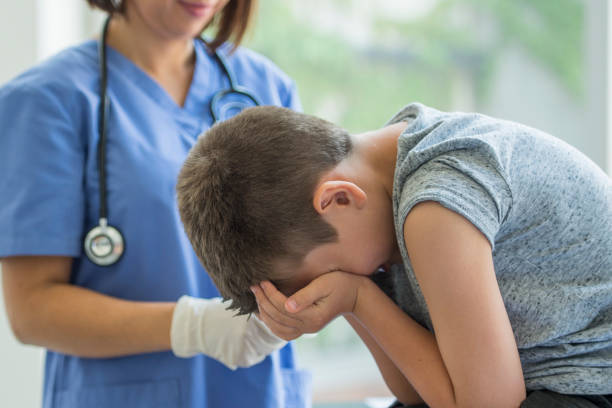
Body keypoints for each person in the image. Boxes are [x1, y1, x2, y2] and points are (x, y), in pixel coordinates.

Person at [176, 104, 612, 408]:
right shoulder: (379, 183)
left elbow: (491, 406)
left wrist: (359, 297)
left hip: (590, 380)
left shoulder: (436, 207)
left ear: (339, 199)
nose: (338, 283)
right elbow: (413, 392)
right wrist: (349, 300)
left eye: (330, 274)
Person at [0, 1, 311, 407]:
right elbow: (32, 310)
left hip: (257, 390)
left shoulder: (266, 88)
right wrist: (195, 327)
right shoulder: (46, 101)